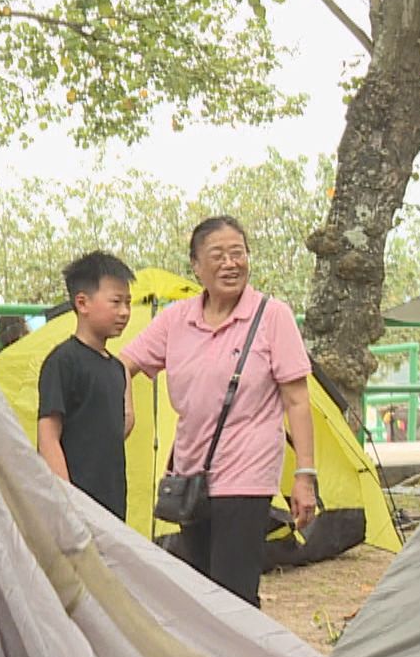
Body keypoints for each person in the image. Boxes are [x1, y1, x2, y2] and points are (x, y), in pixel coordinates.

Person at [121, 216, 317, 607]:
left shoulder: (272, 315)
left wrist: (305, 476)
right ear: (196, 266)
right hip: (192, 473)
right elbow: (124, 361)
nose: (231, 264)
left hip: (248, 473)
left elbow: (297, 400)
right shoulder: (177, 319)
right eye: (218, 255)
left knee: (235, 591)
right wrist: (127, 408)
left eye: (238, 253)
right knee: (198, 590)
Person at [36, 251, 134, 519]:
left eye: (128, 302)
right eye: (116, 302)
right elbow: (48, 436)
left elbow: (112, 429)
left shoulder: (116, 368)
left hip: (112, 505)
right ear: (82, 303)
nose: (125, 312)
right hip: (74, 508)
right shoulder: (63, 361)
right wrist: (67, 501)